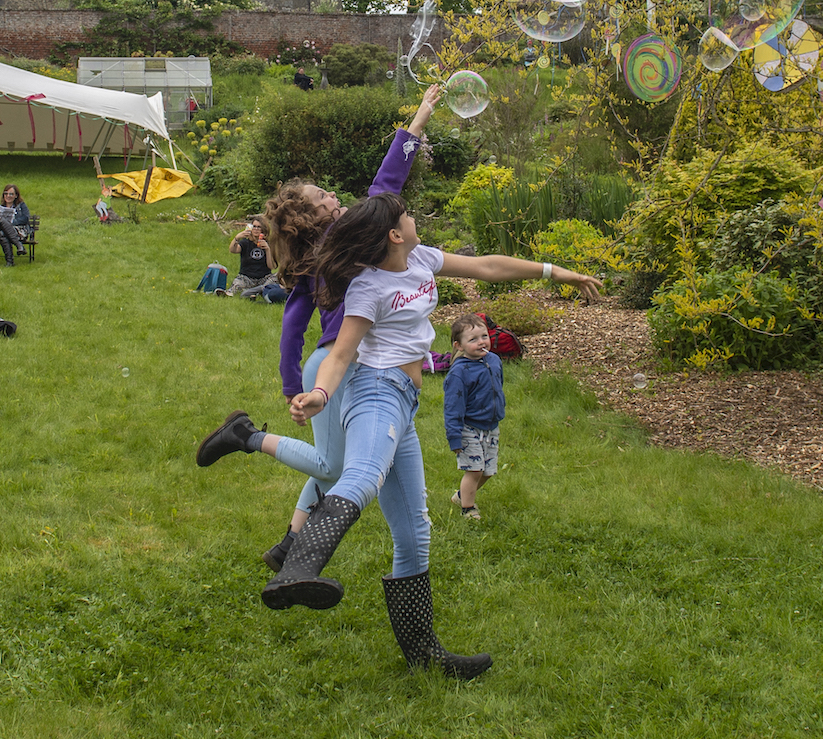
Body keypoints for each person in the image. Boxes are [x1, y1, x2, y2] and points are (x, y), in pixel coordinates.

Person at [196, 192, 601, 679]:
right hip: (377, 390)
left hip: (404, 402)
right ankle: (298, 567)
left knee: (415, 531)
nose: (414, 218)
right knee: (359, 473)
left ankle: (425, 657)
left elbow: (487, 266)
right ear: (393, 232)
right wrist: (320, 393)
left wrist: (558, 273)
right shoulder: (365, 287)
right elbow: (342, 353)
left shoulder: (422, 258)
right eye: (407, 215)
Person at [210, 83, 443, 572]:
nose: (335, 195)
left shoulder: (319, 257)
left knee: (338, 458)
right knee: (337, 466)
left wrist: (294, 382)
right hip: (346, 365)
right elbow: (385, 187)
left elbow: (293, 324)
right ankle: (247, 437)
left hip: (335, 365)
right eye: (323, 197)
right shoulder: (343, 237)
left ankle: (289, 543)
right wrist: (416, 124)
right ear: (313, 219)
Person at [443, 315, 506, 520]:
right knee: (475, 471)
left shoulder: (494, 360)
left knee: (488, 471)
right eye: (473, 339)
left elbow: (499, 385)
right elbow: (452, 408)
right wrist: (454, 436)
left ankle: (461, 496)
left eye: (484, 336)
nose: (481, 342)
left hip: (491, 426)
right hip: (468, 428)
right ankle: (468, 508)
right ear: (458, 345)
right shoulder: (459, 373)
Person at [227, 216, 280, 298]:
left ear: (264, 229)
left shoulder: (269, 244)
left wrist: (268, 250)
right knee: (237, 283)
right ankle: (256, 292)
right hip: (247, 277)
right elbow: (232, 250)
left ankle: (254, 291)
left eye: (259, 227)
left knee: (278, 276)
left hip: (264, 278)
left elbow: (272, 266)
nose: (256, 229)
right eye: (254, 226)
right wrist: (237, 237)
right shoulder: (245, 242)